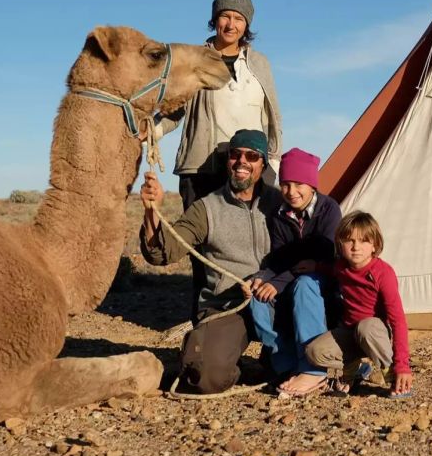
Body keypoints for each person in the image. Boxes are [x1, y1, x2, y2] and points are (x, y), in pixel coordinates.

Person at [153, 0, 283, 311]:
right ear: (215, 19)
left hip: (251, 166)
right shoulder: (195, 61)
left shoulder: (260, 64)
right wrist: (154, 129)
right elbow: (176, 107)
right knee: (202, 246)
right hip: (203, 167)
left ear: (246, 24)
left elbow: (272, 115)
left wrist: (275, 161)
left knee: (261, 243)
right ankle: (206, 319)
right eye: (225, 15)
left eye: (238, 18)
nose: (231, 24)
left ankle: (262, 318)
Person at [139, 129, 280, 394]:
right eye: (235, 155)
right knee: (204, 378)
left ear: (263, 163)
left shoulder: (279, 202)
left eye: (251, 156)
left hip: (274, 299)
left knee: (297, 366)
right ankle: (218, 357)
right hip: (227, 305)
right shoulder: (207, 208)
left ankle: (271, 360)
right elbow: (161, 253)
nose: (242, 162)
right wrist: (151, 213)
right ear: (227, 160)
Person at [242, 148, 343, 396]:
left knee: (305, 284)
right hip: (291, 277)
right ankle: (286, 366)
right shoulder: (279, 214)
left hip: (324, 281)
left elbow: (322, 253)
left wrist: (278, 282)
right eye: (286, 184)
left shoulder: (329, 210)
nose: (291, 191)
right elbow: (282, 256)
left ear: (312, 185)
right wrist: (263, 278)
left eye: (299, 184)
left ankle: (314, 369)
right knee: (256, 298)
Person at [304, 211, 414, 398]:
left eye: (363, 241)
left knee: (366, 327)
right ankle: (355, 370)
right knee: (314, 351)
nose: (356, 247)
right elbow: (331, 270)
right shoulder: (341, 267)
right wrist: (313, 267)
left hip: (374, 333)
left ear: (375, 245)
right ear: (340, 244)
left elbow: (398, 320)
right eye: (350, 241)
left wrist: (402, 364)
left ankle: (393, 377)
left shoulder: (383, 273)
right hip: (350, 333)